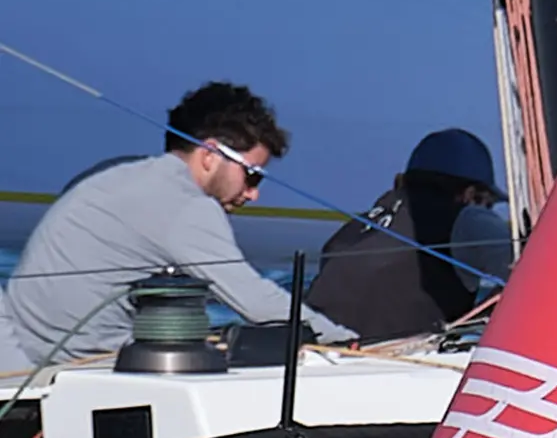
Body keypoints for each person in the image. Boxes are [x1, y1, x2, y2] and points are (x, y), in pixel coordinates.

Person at [1, 83, 358, 367]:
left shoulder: (118, 173)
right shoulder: (183, 204)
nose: (252, 194)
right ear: (209, 155)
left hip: (25, 360)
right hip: (75, 370)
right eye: (252, 175)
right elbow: (257, 302)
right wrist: (347, 342)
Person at [306, 126, 511, 341]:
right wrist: (470, 325)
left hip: (316, 354)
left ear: (401, 181)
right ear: (470, 195)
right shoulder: (470, 219)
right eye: (488, 204)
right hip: (393, 362)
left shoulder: (354, 228)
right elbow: (533, 277)